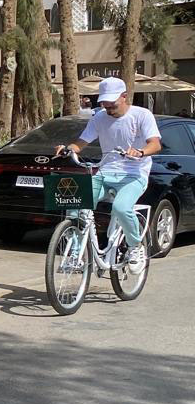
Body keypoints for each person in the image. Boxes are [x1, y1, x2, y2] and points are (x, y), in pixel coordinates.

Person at [54, 76, 161, 270]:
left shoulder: (142, 115)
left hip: (134, 174)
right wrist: (67, 149)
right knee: (75, 206)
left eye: (111, 103)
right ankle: (76, 254)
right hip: (105, 173)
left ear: (124, 97)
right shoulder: (99, 118)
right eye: (104, 103)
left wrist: (140, 152)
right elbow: (81, 142)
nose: (108, 107)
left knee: (120, 208)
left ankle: (135, 246)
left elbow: (155, 143)